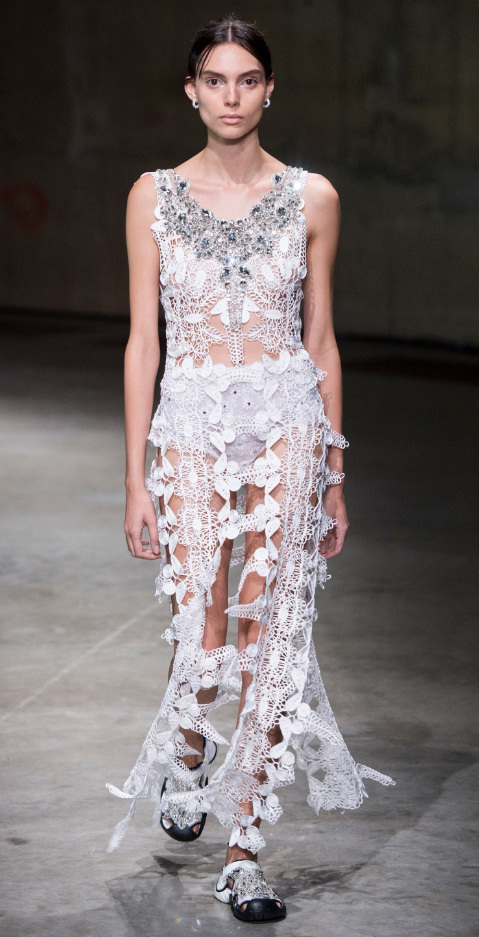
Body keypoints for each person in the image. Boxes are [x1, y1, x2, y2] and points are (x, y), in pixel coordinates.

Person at [106, 14, 395, 923]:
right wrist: (134, 478)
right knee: (202, 617)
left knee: (275, 628)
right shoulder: (152, 196)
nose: (230, 96)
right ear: (191, 91)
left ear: (269, 90)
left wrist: (335, 478)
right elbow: (143, 342)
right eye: (214, 79)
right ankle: (189, 744)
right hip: (191, 418)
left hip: (287, 419)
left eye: (246, 79)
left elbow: (321, 339)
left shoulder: (313, 197)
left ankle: (242, 853)